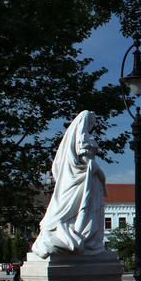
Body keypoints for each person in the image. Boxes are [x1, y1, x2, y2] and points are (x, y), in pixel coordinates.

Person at [31, 110, 108, 258]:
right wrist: (101, 175)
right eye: (91, 122)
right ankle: (83, 239)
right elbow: (88, 161)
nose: (92, 125)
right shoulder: (83, 138)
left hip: (80, 178)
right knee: (85, 209)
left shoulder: (74, 139)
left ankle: (81, 237)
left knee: (77, 208)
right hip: (85, 178)